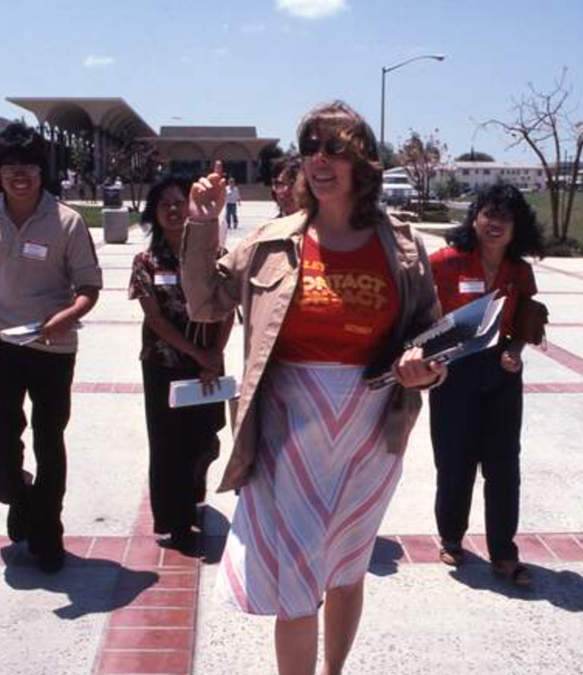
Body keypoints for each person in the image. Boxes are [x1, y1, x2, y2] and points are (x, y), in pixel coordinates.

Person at [181, 101, 443, 675]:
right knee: (297, 578)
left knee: (347, 567)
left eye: (336, 148)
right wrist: (201, 224)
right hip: (286, 430)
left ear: (362, 161)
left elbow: (430, 333)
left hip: (371, 430)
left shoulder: (402, 247)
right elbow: (204, 301)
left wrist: (421, 365)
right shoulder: (271, 242)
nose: (320, 159)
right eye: (311, 147)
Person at [0, 122, 103, 573]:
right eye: (9, 167)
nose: (19, 175)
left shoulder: (67, 221)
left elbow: (88, 287)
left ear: (42, 171)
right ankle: (17, 495)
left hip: (52, 348)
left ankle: (47, 532)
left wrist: (61, 320)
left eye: (28, 166)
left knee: (48, 438)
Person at [427, 183, 545, 585]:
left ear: (517, 227)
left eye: (505, 217)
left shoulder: (520, 270)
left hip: (502, 376)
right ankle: (451, 537)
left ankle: (504, 551)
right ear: (474, 217)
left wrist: (515, 349)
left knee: (504, 466)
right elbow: (421, 315)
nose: (496, 224)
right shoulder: (444, 262)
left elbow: (528, 317)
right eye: (489, 214)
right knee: (454, 462)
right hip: (453, 373)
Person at [128, 176, 233, 552]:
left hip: (206, 365)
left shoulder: (215, 257)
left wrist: (213, 356)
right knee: (167, 444)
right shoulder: (146, 262)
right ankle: (174, 520)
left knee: (204, 439)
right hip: (164, 365)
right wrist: (198, 354)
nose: (173, 210)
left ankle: (192, 497)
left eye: (179, 202)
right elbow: (155, 319)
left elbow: (225, 312)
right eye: (164, 205)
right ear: (153, 215)